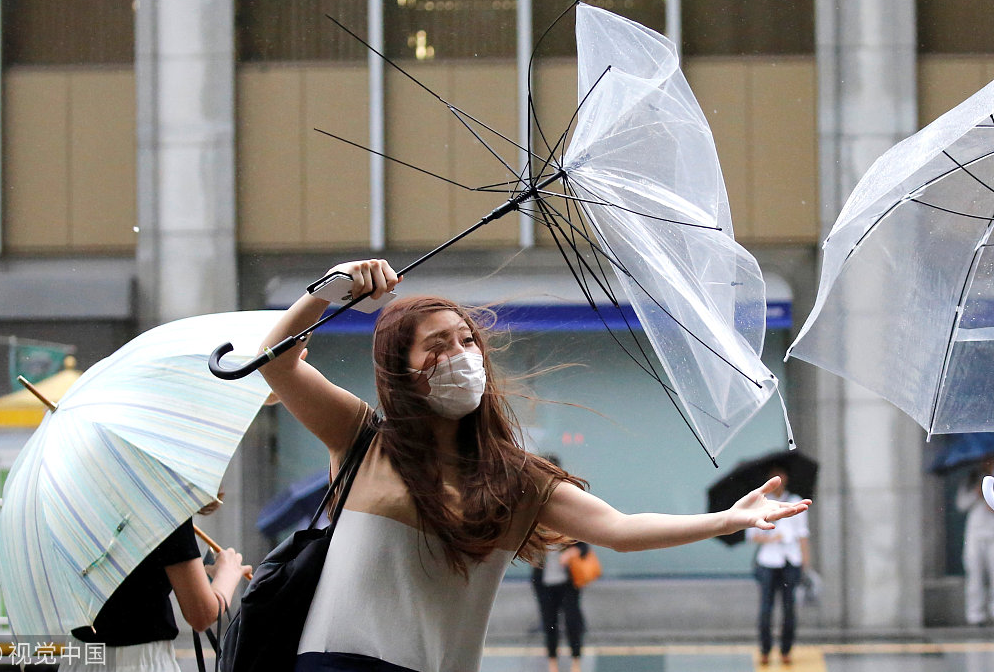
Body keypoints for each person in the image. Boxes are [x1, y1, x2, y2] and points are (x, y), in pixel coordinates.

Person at [259, 258, 812, 672]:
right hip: (337, 662)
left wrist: (725, 520)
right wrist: (328, 290)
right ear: (399, 369)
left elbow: (619, 530)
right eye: (438, 344)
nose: (460, 354)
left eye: (467, 340)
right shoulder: (363, 438)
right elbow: (274, 362)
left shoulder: (516, 477)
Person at [65, 493, 253, 671]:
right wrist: (227, 573)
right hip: (140, 661)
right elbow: (201, 614)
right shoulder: (160, 500)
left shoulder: (74, 492)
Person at [747, 464, 811, 667]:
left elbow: (802, 534)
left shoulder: (794, 501)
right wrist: (771, 538)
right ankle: (765, 649)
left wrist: (805, 562)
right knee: (766, 608)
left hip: (790, 560)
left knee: (789, 607)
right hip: (768, 561)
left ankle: (786, 649)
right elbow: (751, 534)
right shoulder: (761, 504)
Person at [531, 454, 587, 672]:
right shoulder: (533, 507)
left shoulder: (569, 506)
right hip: (544, 579)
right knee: (549, 622)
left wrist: (571, 552)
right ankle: (552, 664)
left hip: (568, 578)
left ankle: (575, 662)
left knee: (572, 621)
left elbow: (584, 545)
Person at [956, 457, 994, 626]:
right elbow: (961, 504)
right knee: (975, 573)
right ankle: (975, 615)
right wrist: (976, 494)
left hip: (992, 532)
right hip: (975, 533)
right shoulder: (971, 479)